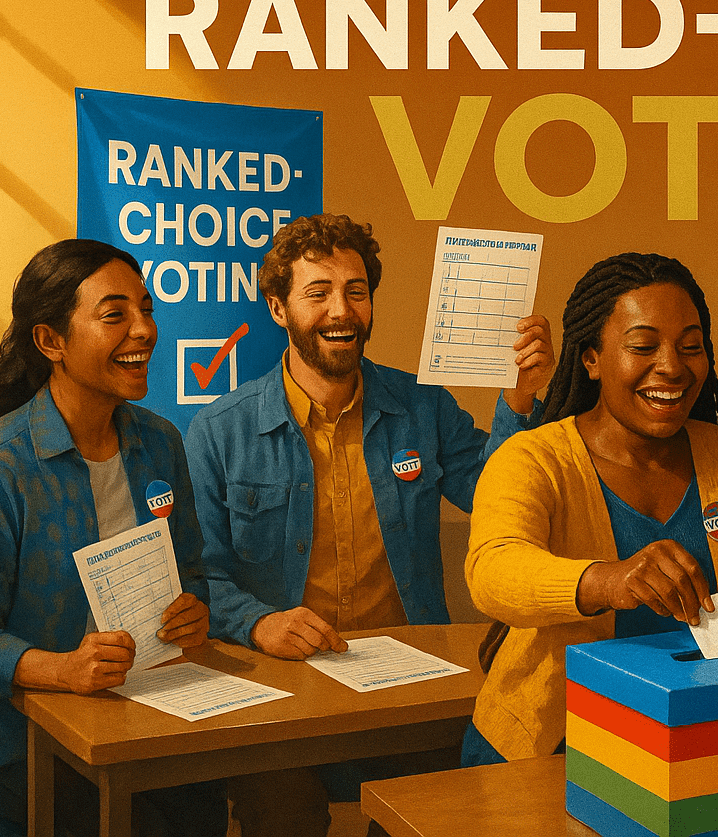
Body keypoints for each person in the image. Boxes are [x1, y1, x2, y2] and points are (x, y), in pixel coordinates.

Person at [185, 213, 553, 835]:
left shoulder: (422, 407)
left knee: (459, 808)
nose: (341, 311)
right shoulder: (219, 433)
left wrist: (519, 399)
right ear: (278, 309)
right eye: (318, 293)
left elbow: (500, 496)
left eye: (356, 291)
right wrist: (259, 623)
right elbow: (199, 576)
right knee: (284, 818)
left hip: (410, 697)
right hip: (282, 703)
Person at [464, 252, 718, 763]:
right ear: (591, 359)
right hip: (548, 748)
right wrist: (611, 581)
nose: (671, 366)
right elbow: (492, 571)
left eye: (690, 347)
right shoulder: (533, 458)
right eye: (643, 346)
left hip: (701, 742)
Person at [0, 239, 223, 837]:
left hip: (146, 716)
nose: (144, 330)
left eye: (147, 310)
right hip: (18, 749)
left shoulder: (161, 443)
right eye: (115, 315)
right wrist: (63, 669)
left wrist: (192, 614)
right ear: (51, 342)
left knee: (205, 808)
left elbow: (192, 575)